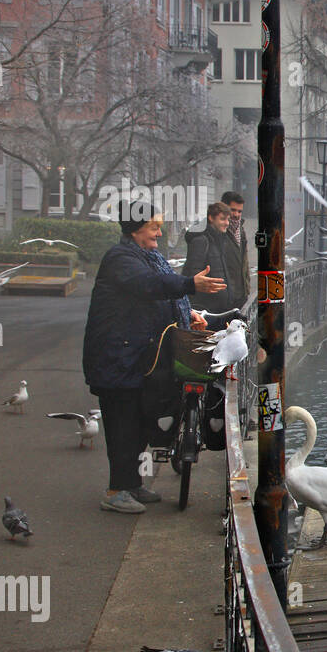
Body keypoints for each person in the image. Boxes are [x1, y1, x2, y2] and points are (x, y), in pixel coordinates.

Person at [82, 201, 226, 513]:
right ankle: (115, 491)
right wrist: (189, 284)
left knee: (136, 425)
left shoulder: (146, 257)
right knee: (122, 427)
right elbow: (151, 287)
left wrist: (191, 314)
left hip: (136, 358)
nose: (159, 233)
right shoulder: (120, 259)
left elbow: (157, 297)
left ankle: (131, 484)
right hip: (116, 360)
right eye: (153, 227)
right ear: (135, 230)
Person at [183, 202, 245, 329]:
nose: (227, 223)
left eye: (228, 219)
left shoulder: (219, 239)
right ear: (211, 218)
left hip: (219, 309)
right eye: (222, 219)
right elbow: (193, 275)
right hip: (207, 312)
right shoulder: (201, 241)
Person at [220, 190, 250, 307]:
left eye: (239, 211)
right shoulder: (215, 232)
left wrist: (246, 288)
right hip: (223, 299)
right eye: (233, 210)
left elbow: (244, 262)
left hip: (240, 296)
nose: (236, 214)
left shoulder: (241, 231)